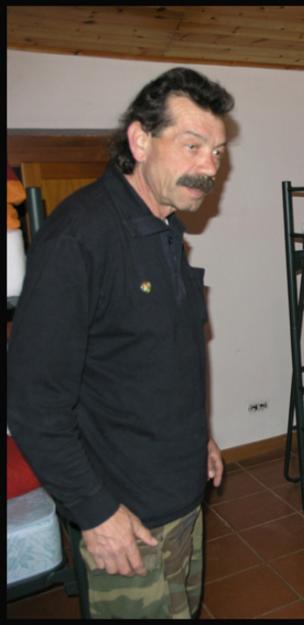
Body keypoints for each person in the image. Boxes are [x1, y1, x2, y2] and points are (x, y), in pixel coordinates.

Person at [7, 67, 234, 618]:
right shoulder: (79, 239)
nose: (210, 167)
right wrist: (96, 512)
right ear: (140, 141)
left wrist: (198, 436)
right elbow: (33, 405)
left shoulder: (167, 228)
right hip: (126, 515)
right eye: (192, 146)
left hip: (181, 492)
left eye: (217, 152)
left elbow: (166, 355)